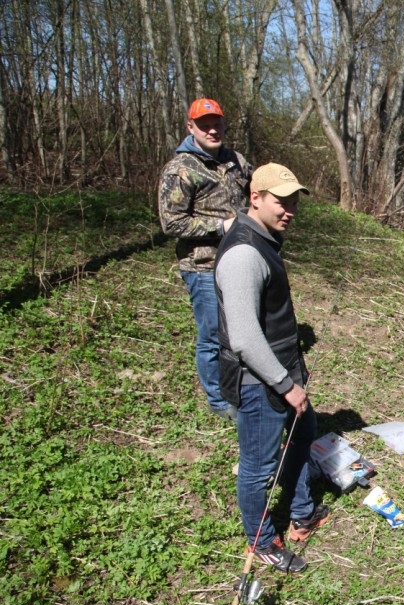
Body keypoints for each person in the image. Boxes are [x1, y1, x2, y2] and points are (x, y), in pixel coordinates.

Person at [215, 163, 329, 573]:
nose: (289, 210)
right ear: (255, 198)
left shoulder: (262, 239)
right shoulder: (244, 253)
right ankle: (261, 541)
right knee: (257, 468)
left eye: (294, 201)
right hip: (259, 383)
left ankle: (301, 513)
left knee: (303, 433)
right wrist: (286, 385)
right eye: (281, 201)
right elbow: (244, 338)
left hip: (282, 372)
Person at [159, 98, 251, 422]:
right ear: (191, 127)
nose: (212, 130)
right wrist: (221, 226)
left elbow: (254, 194)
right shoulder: (180, 169)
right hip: (203, 267)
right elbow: (171, 223)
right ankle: (217, 398)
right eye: (204, 125)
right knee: (212, 336)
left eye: (216, 124)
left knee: (239, 332)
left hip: (239, 261)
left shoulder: (237, 160)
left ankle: (241, 386)